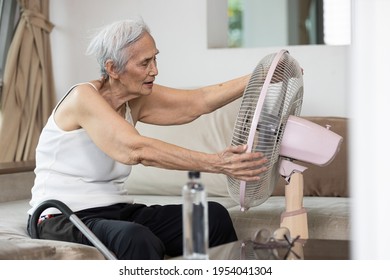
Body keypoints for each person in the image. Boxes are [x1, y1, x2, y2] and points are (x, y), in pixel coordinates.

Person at [27, 18, 268, 260]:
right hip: (62, 216)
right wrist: (218, 163)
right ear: (113, 69)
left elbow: (199, 101)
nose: (155, 70)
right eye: (145, 63)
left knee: (211, 217)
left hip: (117, 212)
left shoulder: (135, 98)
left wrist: (262, 77)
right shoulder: (82, 98)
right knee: (136, 237)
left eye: (155, 58)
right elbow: (136, 149)